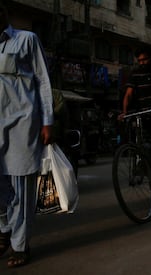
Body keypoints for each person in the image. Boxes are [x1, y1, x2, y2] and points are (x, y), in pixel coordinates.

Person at [0, 0, 54, 267]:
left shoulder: (26, 39)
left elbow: (43, 80)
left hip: (23, 122)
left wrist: (47, 121)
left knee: (20, 187)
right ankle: (4, 230)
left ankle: (19, 245)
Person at [118, 46, 151, 197]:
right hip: (142, 114)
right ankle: (143, 167)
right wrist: (124, 112)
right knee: (142, 145)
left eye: (145, 59)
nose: (142, 62)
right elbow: (128, 94)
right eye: (140, 60)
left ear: (150, 59)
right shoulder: (134, 74)